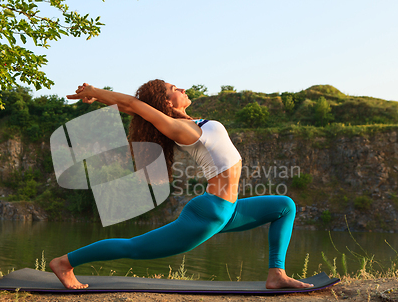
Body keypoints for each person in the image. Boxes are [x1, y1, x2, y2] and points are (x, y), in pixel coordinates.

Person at [50, 79, 313, 290]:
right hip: (211, 212)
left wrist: (100, 99)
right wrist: (94, 90)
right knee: (135, 247)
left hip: (229, 210)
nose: (183, 89)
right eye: (174, 88)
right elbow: (134, 104)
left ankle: (276, 274)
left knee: (284, 205)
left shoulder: (194, 123)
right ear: (165, 101)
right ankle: (65, 262)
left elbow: (131, 107)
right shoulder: (180, 129)